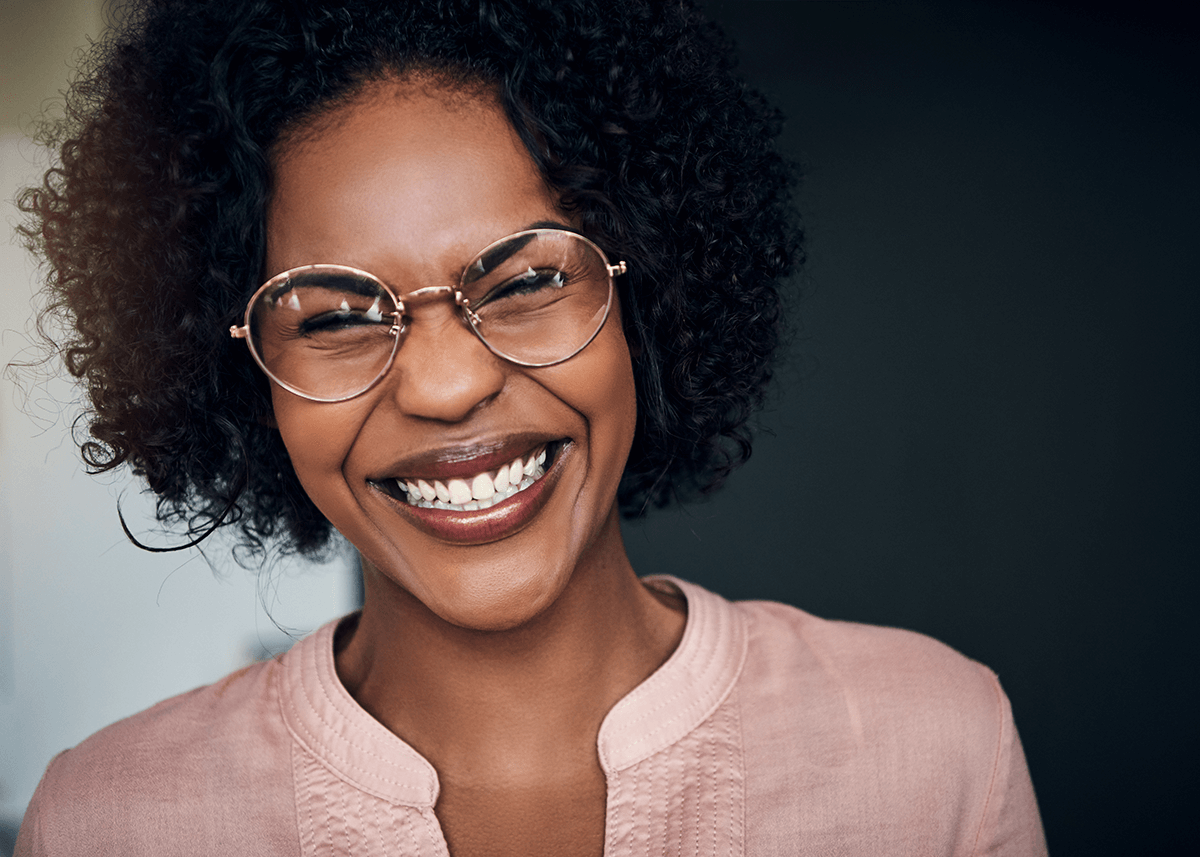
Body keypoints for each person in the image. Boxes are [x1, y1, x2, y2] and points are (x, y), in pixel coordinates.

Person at [13, 1, 1047, 854]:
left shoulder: (935, 748)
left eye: (524, 281)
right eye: (331, 314)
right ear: (242, 375)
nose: (447, 384)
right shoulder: (110, 821)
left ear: (647, 296)